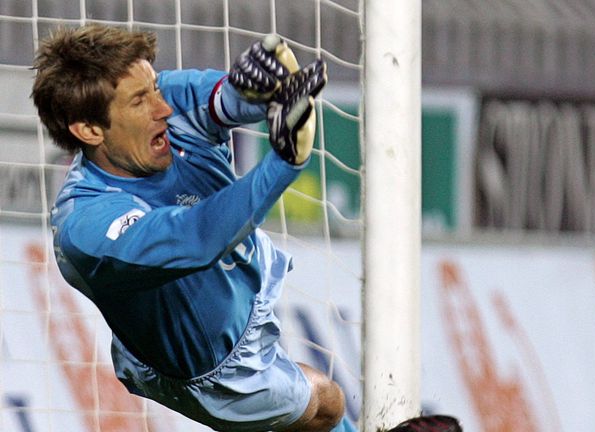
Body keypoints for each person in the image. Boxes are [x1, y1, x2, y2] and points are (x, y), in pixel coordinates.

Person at [32, 23, 355, 432]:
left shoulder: (160, 100)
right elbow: (198, 238)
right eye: (139, 101)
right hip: (207, 369)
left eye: (154, 87)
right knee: (327, 402)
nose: (161, 106)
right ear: (90, 130)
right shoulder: (86, 227)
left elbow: (223, 102)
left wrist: (256, 90)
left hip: (233, 300)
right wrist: (282, 163)